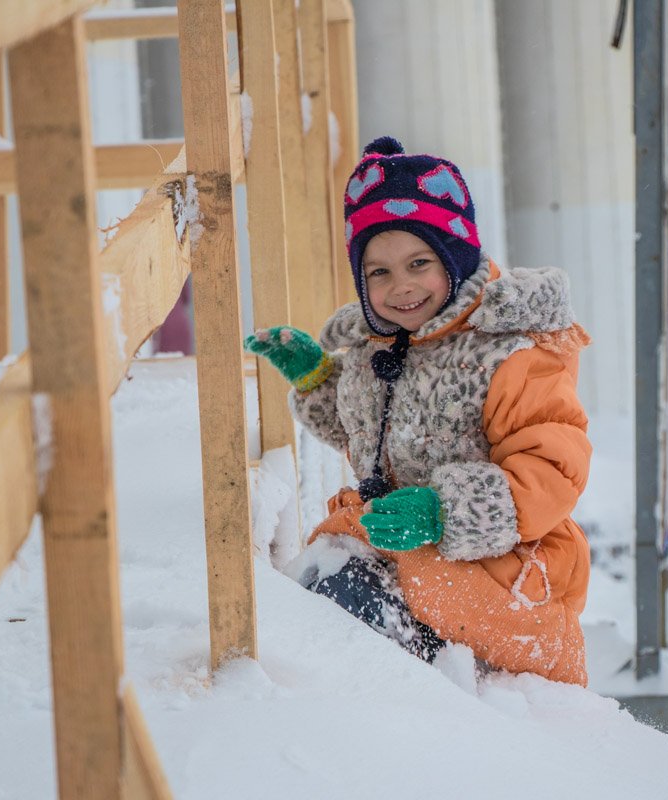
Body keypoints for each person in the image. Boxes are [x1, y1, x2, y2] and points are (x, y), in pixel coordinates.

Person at [245, 136, 592, 685]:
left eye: (418, 263)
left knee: (357, 602)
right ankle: (365, 696)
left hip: (498, 570)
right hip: (401, 552)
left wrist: (445, 511)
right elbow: (371, 438)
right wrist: (318, 379)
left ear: (454, 258)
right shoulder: (377, 346)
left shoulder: (508, 354)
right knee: (321, 586)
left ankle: (439, 693)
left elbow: (553, 469)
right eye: (378, 272)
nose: (400, 287)